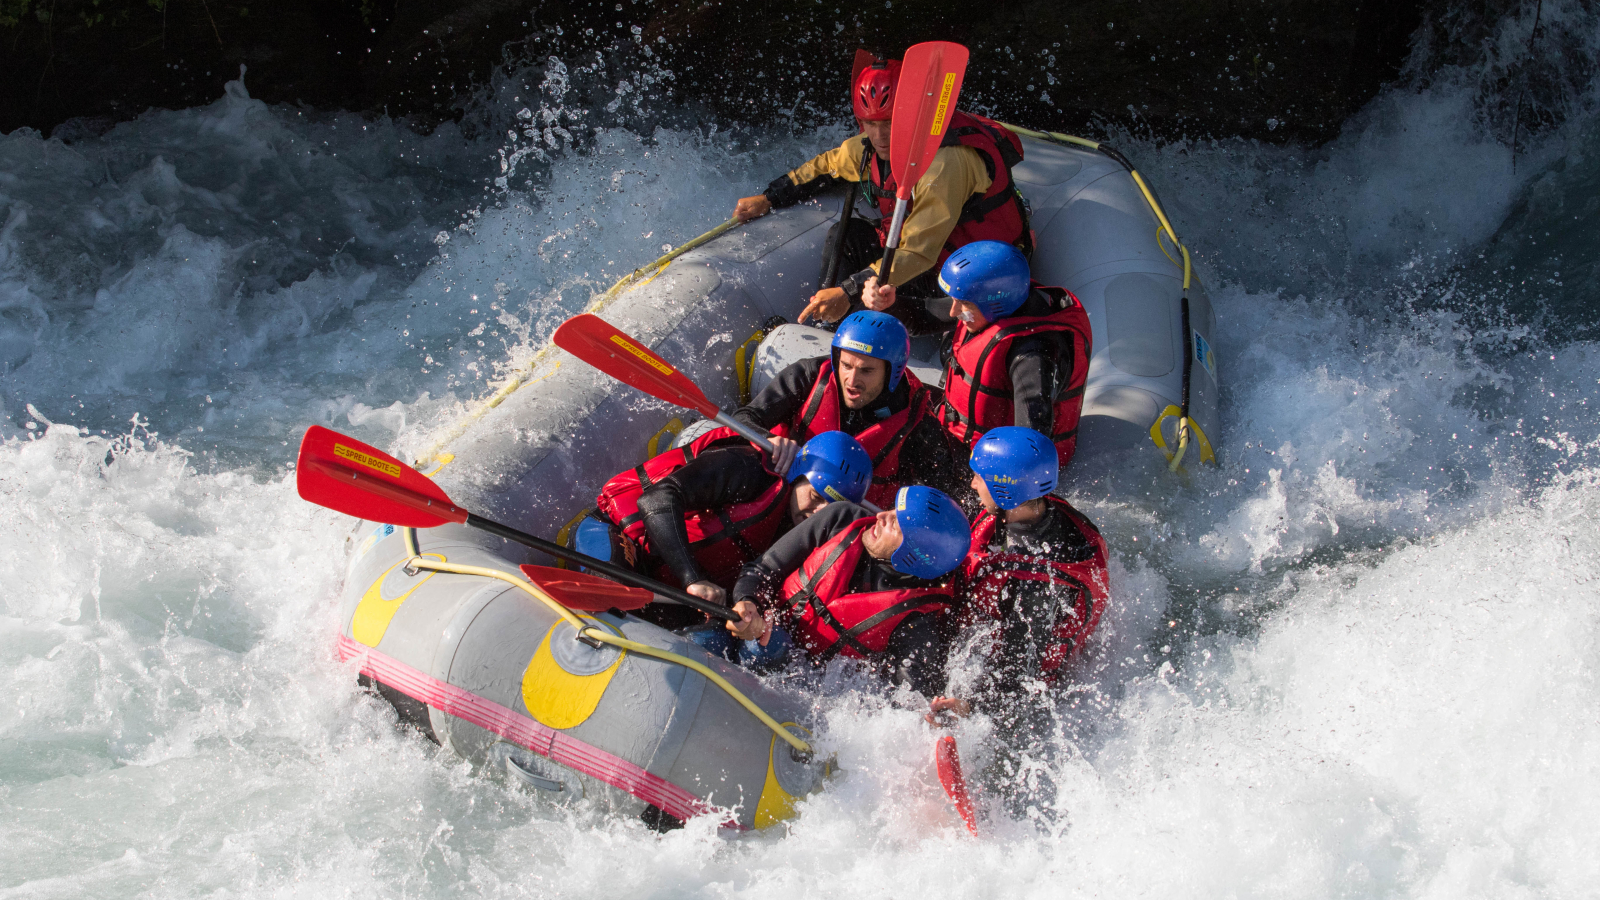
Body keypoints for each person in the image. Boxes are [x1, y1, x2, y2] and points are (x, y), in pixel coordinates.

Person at [731, 54, 1029, 329]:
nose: (879, 135)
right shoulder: (867, 147)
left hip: (976, 277)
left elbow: (917, 253)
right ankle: (831, 324)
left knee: (895, 297)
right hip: (926, 258)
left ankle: (858, 323)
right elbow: (826, 166)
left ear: (912, 115)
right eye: (869, 124)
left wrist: (848, 290)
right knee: (845, 235)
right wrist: (769, 197)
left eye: (889, 122)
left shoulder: (944, 163)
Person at [581, 429, 873, 630]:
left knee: (705, 639)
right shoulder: (747, 469)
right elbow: (656, 499)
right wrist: (692, 578)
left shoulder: (805, 536)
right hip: (618, 534)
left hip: (669, 588)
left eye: (830, 508)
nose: (817, 513)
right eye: (816, 497)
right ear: (798, 475)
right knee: (610, 597)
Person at [926, 427, 1108, 728]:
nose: (972, 484)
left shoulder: (1036, 586)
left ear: (1005, 489)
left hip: (1026, 691)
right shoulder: (1036, 508)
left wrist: (969, 707)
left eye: (980, 477)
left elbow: (1018, 677)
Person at [725, 485, 971, 694]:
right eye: (893, 511)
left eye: (895, 524)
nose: (881, 516)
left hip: (800, 691)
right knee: (722, 641)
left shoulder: (916, 622)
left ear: (912, 555)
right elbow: (761, 570)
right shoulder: (840, 519)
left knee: (769, 647)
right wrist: (748, 603)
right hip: (756, 635)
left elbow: (910, 704)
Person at [871, 240, 1091, 466]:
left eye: (963, 304)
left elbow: (1031, 442)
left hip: (983, 462)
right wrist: (891, 303)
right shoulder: (991, 303)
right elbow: (925, 316)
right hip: (954, 431)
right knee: (877, 394)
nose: (954, 311)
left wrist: (993, 486)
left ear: (996, 303)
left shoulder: (1031, 356)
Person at [735, 310, 963, 508]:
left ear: (892, 372)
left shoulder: (918, 421)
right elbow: (744, 417)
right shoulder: (808, 376)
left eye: (866, 371)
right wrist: (768, 439)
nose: (851, 380)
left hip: (850, 526)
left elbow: (945, 494)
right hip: (788, 494)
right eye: (846, 365)